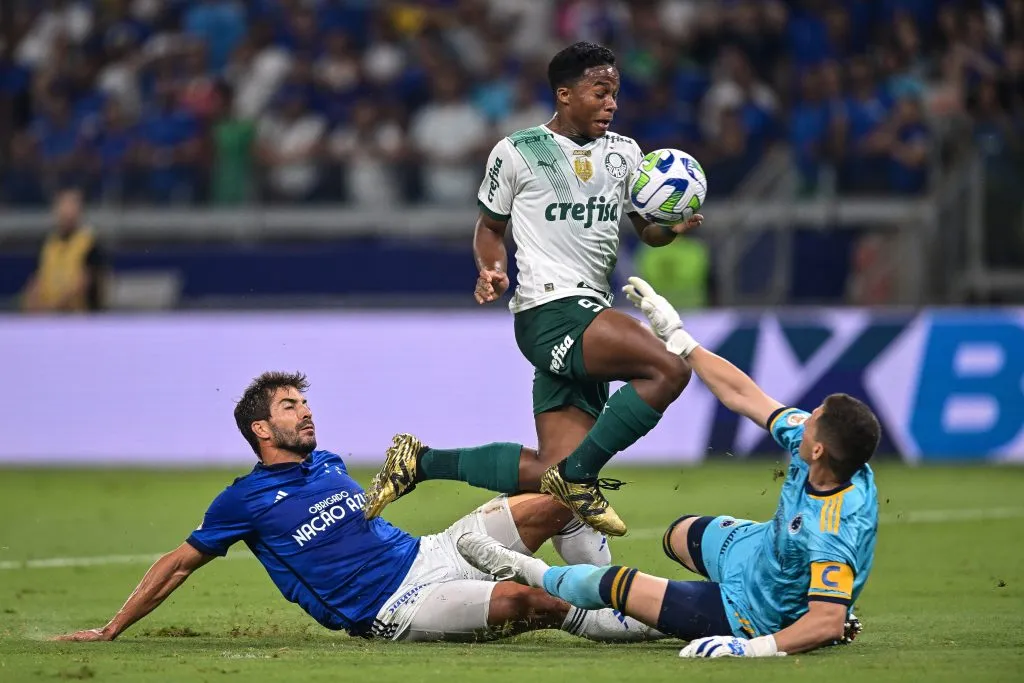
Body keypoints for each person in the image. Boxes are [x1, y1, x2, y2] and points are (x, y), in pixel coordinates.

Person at [363, 42, 703, 537]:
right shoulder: (518, 151)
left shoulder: (626, 153)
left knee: (550, 471)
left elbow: (646, 230)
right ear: (565, 94)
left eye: (615, 94)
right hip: (550, 310)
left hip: (591, 311)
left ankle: (418, 462)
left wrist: (671, 227)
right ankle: (579, 478)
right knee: (669, 369)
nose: (611, 103)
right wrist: (492, 269)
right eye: (600, 92)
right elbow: (489, 227)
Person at [54, 372, 659, 645]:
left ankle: (620, 593)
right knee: (535, 602)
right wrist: (111, 629)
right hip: (395, 606)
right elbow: (178, 563)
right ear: (262, 429)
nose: (306, 412)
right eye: (290, 406)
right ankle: (639, 621)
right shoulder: (242, 500)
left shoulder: (327, 463)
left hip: (435, 551)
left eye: (304, 403)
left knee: (559, 499)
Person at [454, 277, 879, 658]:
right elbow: (744, 395)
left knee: (611, 585)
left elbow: (827, 622)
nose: (806, 417)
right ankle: (697, 607)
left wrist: (755, 648)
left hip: (754, 610)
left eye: (815, 419)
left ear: (818, 451)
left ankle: (527, 570)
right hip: (759, 551)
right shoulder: (816, 445)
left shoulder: (835, 527)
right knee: (680, 535)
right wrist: (679, 338)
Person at [21, 187, 107, 313]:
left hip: (78, 314)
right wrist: (33, 302)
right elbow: (39, 277)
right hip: (48, 313)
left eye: (72, 206)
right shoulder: (49, 243)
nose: (67, 212)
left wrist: (57, 305)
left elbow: (85, 281)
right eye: (63, 206)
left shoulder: (90, 243)